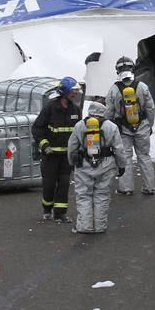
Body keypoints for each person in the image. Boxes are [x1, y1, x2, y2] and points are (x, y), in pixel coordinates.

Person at [67, 100, 125, 234]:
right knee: (102, 195)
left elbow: (71, 147)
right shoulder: (111, 127)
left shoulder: (80, 126)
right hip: (105, 165)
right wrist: (121, 165)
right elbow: (119, 149)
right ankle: (100, 226)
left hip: (83, 166)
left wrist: (71, 163)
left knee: (84, 195)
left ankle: (85, 226)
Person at [32, 76, 83, 223]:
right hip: (51, 155)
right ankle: (47, 208)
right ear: (65, 91)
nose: (75, 93)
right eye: (73, 90)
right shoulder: (50, 108)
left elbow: (79, 132)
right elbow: (37, 129)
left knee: (64, 183)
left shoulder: (76, 110)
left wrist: (79, 150)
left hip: (66, 156)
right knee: (49, 184)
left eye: (76, 90)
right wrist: (45, 146)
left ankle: (60, 213)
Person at [106, 56, 155, 195]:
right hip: (142, 126)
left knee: (125, 158)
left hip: (123, 129)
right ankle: (149, 187)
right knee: (144, 156)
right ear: (132, 68)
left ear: (117, 70)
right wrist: (149, 125)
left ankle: (126, 188)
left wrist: (109, 131)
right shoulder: (142, 86)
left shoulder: (113, 90)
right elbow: (150, 108)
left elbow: (109, 112)